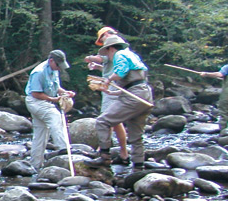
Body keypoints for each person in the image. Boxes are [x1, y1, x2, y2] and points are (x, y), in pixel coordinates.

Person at [84, 35, 153, 168]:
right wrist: (112, 92)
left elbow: (121, 72)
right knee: (136, 135)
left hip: (134, 96)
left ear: (111, 49)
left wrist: (108, 80)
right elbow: (134, 84)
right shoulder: (132, 55)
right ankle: (139, 165)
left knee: (103, 121)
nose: (108, 57)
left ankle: (104, 156)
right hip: (144, 94)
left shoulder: (119, 55)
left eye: (107, 52)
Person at [84, 27, 129, 164]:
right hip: (114, 84)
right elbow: (111, 67)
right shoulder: (121, 48)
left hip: (113, 85)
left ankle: (109, 152)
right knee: (113, 121)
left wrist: (89, 58)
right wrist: (98, 68)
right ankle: (117, 151)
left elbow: (102, 59)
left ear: (106, 35)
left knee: (108, 119)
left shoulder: (114, 46)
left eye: (101, 38)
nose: (102, 41)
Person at [25, 50, 75, 169]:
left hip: (44, 101)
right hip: (36, 102)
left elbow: (56, 87)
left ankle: (35, 165)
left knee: (40, 133)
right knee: (55, 117)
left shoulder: (54, 70)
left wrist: (65, 92)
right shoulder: (39, 72)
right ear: (51, 61)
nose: (59, 68)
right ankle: (63, 147)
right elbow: (36, 93)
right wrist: (54, 100)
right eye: (58, 65)